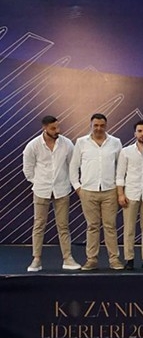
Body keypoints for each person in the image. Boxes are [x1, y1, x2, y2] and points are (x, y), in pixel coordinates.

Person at [22, 115, 81, 272]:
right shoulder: (33, 145)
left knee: (63, 226)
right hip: (41, 190)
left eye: (58, 127)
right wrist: (39, 182)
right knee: (39, 225)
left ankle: (68, 258)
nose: (57, 131)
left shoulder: (67, 144)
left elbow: (73, 166)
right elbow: (28, 169)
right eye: (53, 128)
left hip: (62, 190)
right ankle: (36, 259)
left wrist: (71, 183)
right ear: (44, 128)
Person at [69, 113, 123, 271]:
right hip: (88, 191)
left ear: (106, 126)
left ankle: (114, 260)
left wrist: (119, 189)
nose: (99, 128)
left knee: (110, 226)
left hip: (110, 191)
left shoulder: (115, 142)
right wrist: (78, 188)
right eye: (96, 125)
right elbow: (73, 166)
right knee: (92, 226)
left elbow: (120, 168)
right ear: (91, 126)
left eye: (102, 125)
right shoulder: (81, 142)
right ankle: (91, 260)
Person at [116, 119, 143, 270]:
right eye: (139, 131)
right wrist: (120, 194)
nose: (142, 134)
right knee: (129, 229)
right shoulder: (126, 151)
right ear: (135, 133)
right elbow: (120, 175)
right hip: (130, 194)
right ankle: (129, 259)